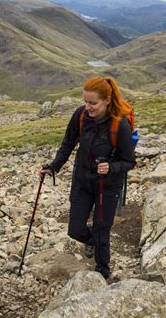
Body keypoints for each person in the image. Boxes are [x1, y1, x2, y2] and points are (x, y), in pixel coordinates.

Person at [41, 76, 136, 282]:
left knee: (103, 228)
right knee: (75, 230)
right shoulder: (81, 116)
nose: (87, 107)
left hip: (107, 186)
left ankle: (103, 273)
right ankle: (93, 241)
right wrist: (54, 167)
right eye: (85, 102)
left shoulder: (119, 126)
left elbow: (129, 161)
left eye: (93, 103)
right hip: (83, 180)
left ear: (107, 100)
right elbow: (68, 143)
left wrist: (111, 167)